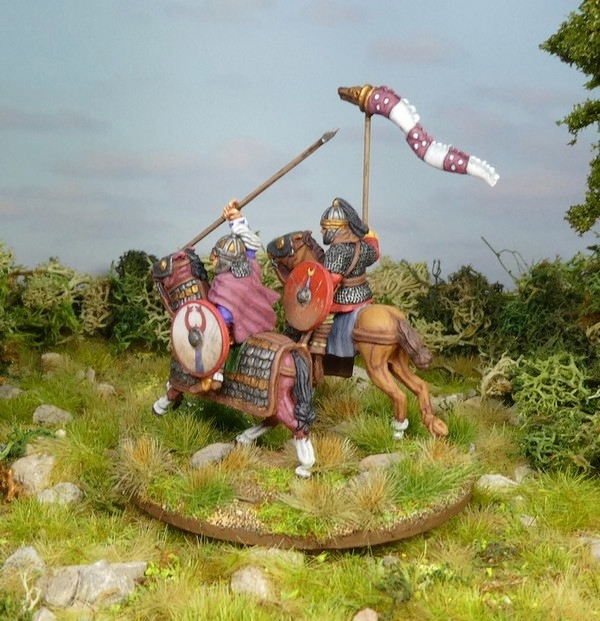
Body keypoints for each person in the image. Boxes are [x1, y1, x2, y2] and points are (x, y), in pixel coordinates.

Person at [207, 200, 281, 388]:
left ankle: (217, 370)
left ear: (226, 260)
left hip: (239, 326)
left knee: (218, 329)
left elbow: (223, 317)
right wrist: (236, 219)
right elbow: (250, 246)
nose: (213, 261)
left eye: (217, 258)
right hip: (254, 320)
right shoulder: (250, 264)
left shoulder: (228, 284)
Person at [310, 197, 380, 381]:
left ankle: (318, 357)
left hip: (344, 299)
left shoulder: (337, 251)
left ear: (336, 228)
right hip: (364, 297)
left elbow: (332, 281)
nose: (321, 231)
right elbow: (375, 252)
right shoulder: (363, 246)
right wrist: (367, 232)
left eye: (325, 228)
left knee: (319, 322)